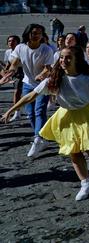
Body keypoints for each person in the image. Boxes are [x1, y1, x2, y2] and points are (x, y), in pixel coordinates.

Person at [1, 46, 89, 201]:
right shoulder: (53, 79)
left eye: (68, 57)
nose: (63, 60)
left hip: (87, 115)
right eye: (61, 57)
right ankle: (85, 183)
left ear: (76, 60)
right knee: (73, 151)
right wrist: (11, 110)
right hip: (66, 116)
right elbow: (31, 96)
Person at [0, 24, 54, 157]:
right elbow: (14, 63)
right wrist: (10, 73)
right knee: (30, 113)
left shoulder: (46, 49)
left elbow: (48, 68)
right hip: (27, 84)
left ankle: (38, 139)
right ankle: (41, 137)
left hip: (42, 84)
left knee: (39, 111)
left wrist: (42, 74)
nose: (36, 35)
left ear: (42, 35)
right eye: (34, 33)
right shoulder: (20, 47)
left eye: (39, 33)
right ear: (27, 34)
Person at [1, 35, 23, 122]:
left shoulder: (21, 51)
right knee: (18, 92)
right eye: (9, 41)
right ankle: (18, 112)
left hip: (22, 72)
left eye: (13, 41)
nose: (11, 43)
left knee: (17, 92)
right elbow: (8, 64)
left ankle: (17, 113)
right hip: (13, 73)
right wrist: (5, 71)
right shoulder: (8, 52)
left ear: (18, 42)